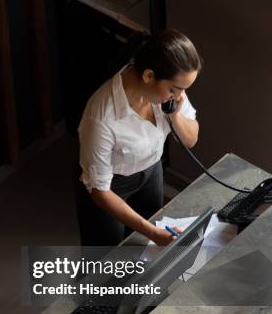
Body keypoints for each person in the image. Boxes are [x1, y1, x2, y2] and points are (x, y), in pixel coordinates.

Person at [76, 29, 202, 246]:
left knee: (147, 251)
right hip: (110, 188)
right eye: (175, 89)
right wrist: (152, 232)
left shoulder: (169, 92)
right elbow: (99, 189)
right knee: (107, 265)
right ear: (149, 76)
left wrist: (175, 115)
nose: (180, 96)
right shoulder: (101, 116)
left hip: (151, 172)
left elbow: (191, 139)